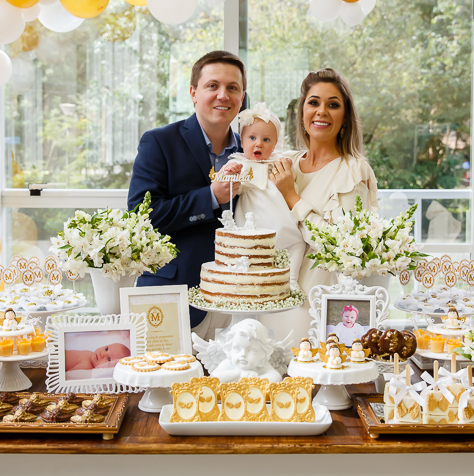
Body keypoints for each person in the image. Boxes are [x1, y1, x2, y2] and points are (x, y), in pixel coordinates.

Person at [127, 51, 246, 330]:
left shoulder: (250, 151)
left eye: (233, 88)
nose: (223, 95)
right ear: (193, 93)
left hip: (237, 302)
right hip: (171, 295)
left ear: (242, 97)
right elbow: (141, 216)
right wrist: (210, 197)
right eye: (212, 86)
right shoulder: (159, 141)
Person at [268, 68, 379, 337]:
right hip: (273, 297)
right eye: (314, 102)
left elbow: (341, 246)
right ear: (302, 113)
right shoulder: (286, 163)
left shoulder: (353, 171)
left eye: (333, 105)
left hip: (316, 304)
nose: (322, 111)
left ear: (345, 118)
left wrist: (292, 197)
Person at [218, 102, 306, 292]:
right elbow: (225, 182)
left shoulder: (277, 162)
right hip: (253, 216)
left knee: (297, 242)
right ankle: (247, 280)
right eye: (252, 138)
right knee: (248, 249)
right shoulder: (238, 163)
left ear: (275, 144)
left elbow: (290, 176)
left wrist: (286, 164)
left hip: (279, 216)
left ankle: (291, 279)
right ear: (241, 142)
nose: (259, 143)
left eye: (266, 140)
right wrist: (231, 173)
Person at [64, 343, 130, 373]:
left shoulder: (87, 366)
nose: (102, 354)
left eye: (108, 359)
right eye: (106, 349)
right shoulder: (90, 353)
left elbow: (68, 374)